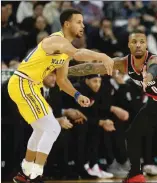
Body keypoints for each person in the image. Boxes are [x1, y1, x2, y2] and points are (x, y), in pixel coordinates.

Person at [69, 29, 157, 183]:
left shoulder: (155, 60)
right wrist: (65, 71)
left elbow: (154, 69)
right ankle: (135, 174)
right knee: (132, 133)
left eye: (142, 42)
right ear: (129, 45)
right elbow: (92, 68)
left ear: (147, 45)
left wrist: (149, 76)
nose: (138, 45)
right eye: (134, 42)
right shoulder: (123, 63)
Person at [8, 9, 114, 183]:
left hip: (31, 87)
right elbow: (79, 54)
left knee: (41, 128)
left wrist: (77, 94)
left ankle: (25, 172)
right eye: (78, 22)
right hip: (23, 83)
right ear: (66, 24)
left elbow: (62, 80)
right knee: (53, 127)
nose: (83, 25)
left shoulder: (64, 51)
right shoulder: (56, 40)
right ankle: (34, 175)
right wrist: (102, 56)